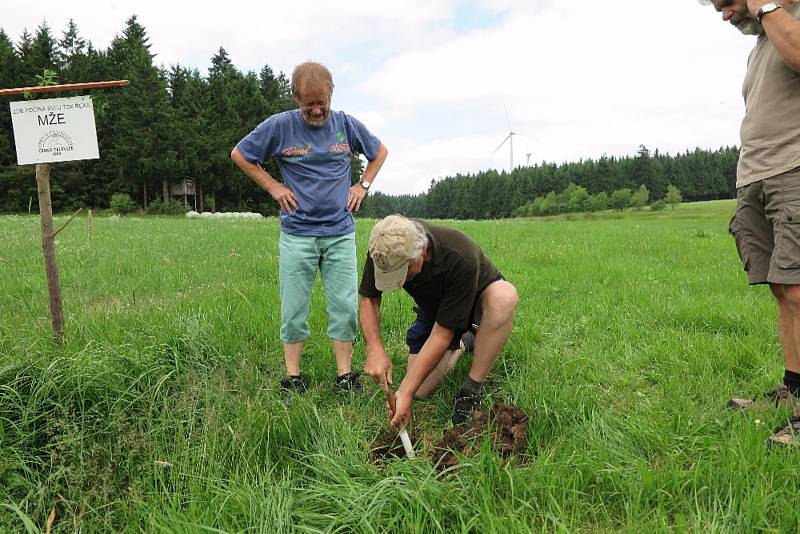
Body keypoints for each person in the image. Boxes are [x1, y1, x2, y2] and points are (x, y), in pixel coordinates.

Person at [231, 61, 388, 394]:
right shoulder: (280, 127)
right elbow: (241, 155)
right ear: (295, 97)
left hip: (339, 234)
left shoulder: (346, 125)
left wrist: (363, 185)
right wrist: (274, 187)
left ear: (331, 94)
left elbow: (379, 152)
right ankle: (293, 377)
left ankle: (345, 376)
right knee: (294, 308)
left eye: (322, 104)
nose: (317, 111)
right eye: (309, 105)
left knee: (345, 306)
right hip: (297, 234)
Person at [703, 0, 800, 445]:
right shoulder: (762, 40)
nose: (724, 16)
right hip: (757, 176)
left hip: (793, 169)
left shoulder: (786, 20)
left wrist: (765, 4)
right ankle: (794, 392)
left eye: (727, 3)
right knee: (784, 289)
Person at [358, 214, 518, 427]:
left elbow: (442, 334)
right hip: (437, 312)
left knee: (504, 297)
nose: (399, 282)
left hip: (477, 305)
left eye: (403, 273)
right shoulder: (384, 247)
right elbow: (369, 298)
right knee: (422, 390)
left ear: (422, 252)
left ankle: (472, 389)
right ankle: (464, 344)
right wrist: (374, 348)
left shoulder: (460, 254)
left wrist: (404, 392)